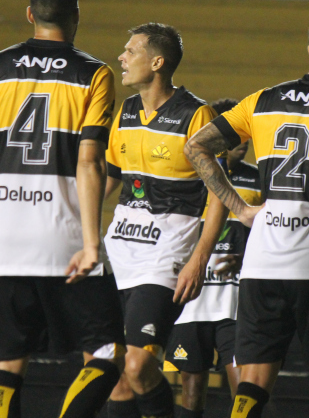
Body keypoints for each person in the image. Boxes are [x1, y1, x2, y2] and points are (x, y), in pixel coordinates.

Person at [184, 10, 309, 418]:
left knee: (252, 382)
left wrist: (240, 208)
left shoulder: (262, 99)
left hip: (263, 255)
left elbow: (195, 147)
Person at [0, 0, 126, 418]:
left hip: (6, 239)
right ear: (77, 17)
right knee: (106, 351)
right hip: (64, 237)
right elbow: (90, 163)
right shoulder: (94, 73)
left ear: (30, 14)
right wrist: (91, 244)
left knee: (7, 361)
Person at [103, 23, 228, 418]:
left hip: (164, 259)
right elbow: (109, 177)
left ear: (157, 62)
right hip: (118, 253)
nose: (121, 57)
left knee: (139, 367)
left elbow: (219, 195)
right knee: (117, 375)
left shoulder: (197, 115)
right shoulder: (124, 112)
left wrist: (199, 258)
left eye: (130, 50)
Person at [163, 98, 261, 417]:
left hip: (236, 296)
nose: (240, 144)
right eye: (232, 138)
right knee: (191, 385)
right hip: (193, 293)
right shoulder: (184, 176)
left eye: (242, 138)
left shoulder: (259, 180)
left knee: (245, 385)